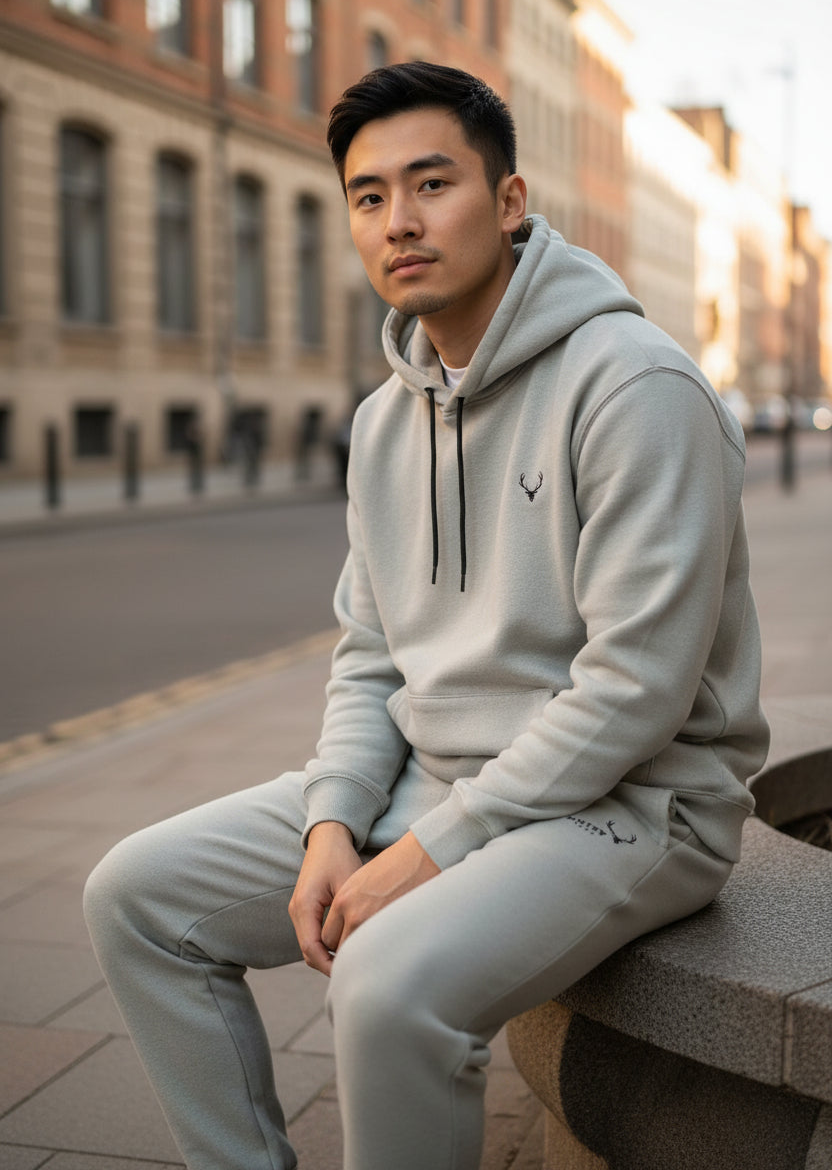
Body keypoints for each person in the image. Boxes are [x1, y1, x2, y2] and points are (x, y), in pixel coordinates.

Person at [84, 62, 769, 1170]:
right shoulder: (382, 424)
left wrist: (423, 857)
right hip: (440, 783)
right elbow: (370, 661)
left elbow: (635, 691)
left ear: (507, 203)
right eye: (367, 196)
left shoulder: (636, 386)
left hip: (634, 807)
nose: (397, 221)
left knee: (388, 983)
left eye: (431, 183)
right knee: (136, 896)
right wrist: (329, 825)